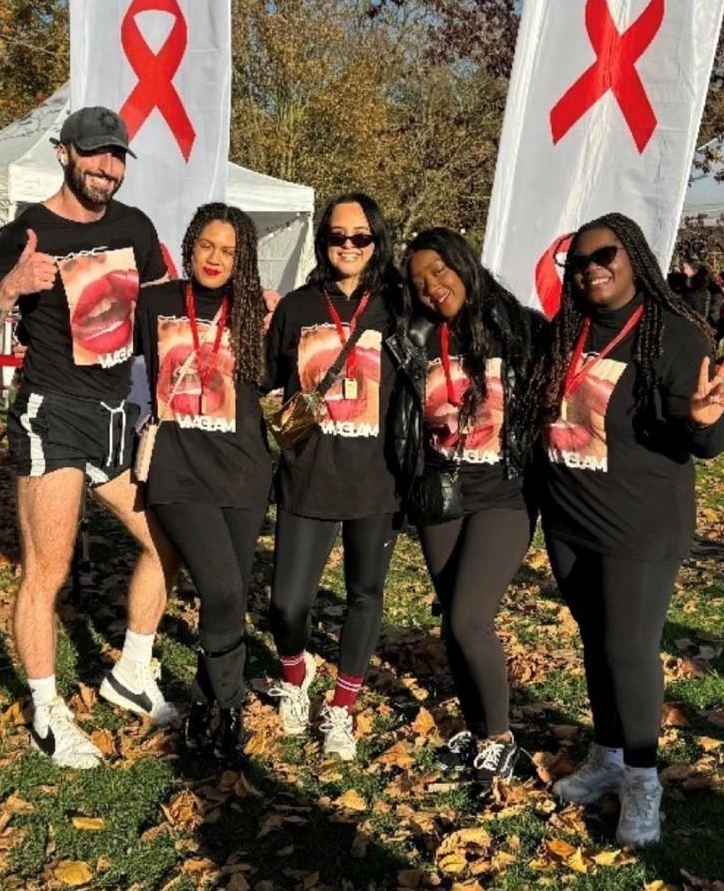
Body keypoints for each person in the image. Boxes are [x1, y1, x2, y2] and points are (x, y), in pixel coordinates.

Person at [0, 107, 177, 769]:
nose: (106, 168)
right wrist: (8, 290)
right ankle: (47, 713)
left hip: (116, 417)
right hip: (52, 413)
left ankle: (131, 671)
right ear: (63, 153)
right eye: (94, 154)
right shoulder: (26, 231)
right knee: (46, 570)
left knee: (168, 539)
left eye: (116, 157)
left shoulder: (135, 227)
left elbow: (161, 312)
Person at [535, 213, 724, 847]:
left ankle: (644, 783)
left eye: (606, 254)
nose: (593, 266)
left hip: (639, 524)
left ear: (635, 257)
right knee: (597, 641)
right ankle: (609, 755)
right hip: (571, 519)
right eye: (581, 260)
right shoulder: (566, 332)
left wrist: (702, 419)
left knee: (629, 647)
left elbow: (708, 442)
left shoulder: (674, 336)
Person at [390, 228, 546, 788]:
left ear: (463, 263)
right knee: (455, 625)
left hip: (504, 493)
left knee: (467, 618)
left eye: (440, 271)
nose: (433, 287)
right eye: (419, 281)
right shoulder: (414, 335)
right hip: (441, 491)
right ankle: (479, 733)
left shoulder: (523, 329)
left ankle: (502, 738)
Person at [264, 193, 404, 761]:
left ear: (376, 242)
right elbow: (271, 380)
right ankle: (296, 676)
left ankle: (342, 706)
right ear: (323, 242)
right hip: (310, 475)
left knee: (363, 596)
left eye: (360, 237)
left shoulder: (398, 308)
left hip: (378, 479)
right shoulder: (299, 306)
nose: (348, 246)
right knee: (286, 604)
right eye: (337, 236)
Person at [139, 204, 272, 763]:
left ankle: (204, 703)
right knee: (219, 589)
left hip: (243, 470)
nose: (216, 258)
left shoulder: (259, 313)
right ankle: (229, 704)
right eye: (207, 246)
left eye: (229, 250)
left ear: (242, 259)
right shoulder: (155, 302)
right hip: (177, 468)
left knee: (231, 597)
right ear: (191, 245)